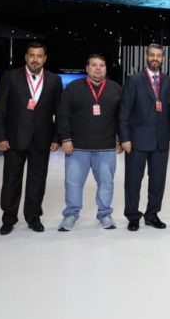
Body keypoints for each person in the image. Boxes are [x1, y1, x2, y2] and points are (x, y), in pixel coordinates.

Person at [0, 42, 62, 235]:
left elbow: (60, 111)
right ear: (26, 57)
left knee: (37, 181)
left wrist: (56, 137)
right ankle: (8, 219)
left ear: (45, 59)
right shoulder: (10, 77)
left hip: (42, 139)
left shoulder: (54, 80)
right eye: (31, 55)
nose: (35, 59)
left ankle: (33, 217)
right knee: (11, 181)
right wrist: (0, 137)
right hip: (14, 139)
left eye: (39, 56)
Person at [57, 54, 123, 231]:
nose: (98, 68)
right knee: (73, 184)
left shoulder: (115, 89)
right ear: (87, 68)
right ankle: (71, 215)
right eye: (94, 65)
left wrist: (120, 139)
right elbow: (63, 114)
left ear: (106, 68)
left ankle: (105, 214)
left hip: (106, 146)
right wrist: (65, 138)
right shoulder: (74, 88)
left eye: (102, 65)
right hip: (77, 147)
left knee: (106, 183)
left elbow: (121, 117)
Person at [119, 44, 170, 231]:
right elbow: (124, 111)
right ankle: (133, 216)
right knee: (133, 181)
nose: (155, 59)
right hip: (136, 140)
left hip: (161, 140)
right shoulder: (134, 80)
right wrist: (124, 138)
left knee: (158, 181)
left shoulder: (169, 81)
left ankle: (152, 215)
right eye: (152, 55)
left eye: (158, 56)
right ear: (146, 57)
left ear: (163, 59)